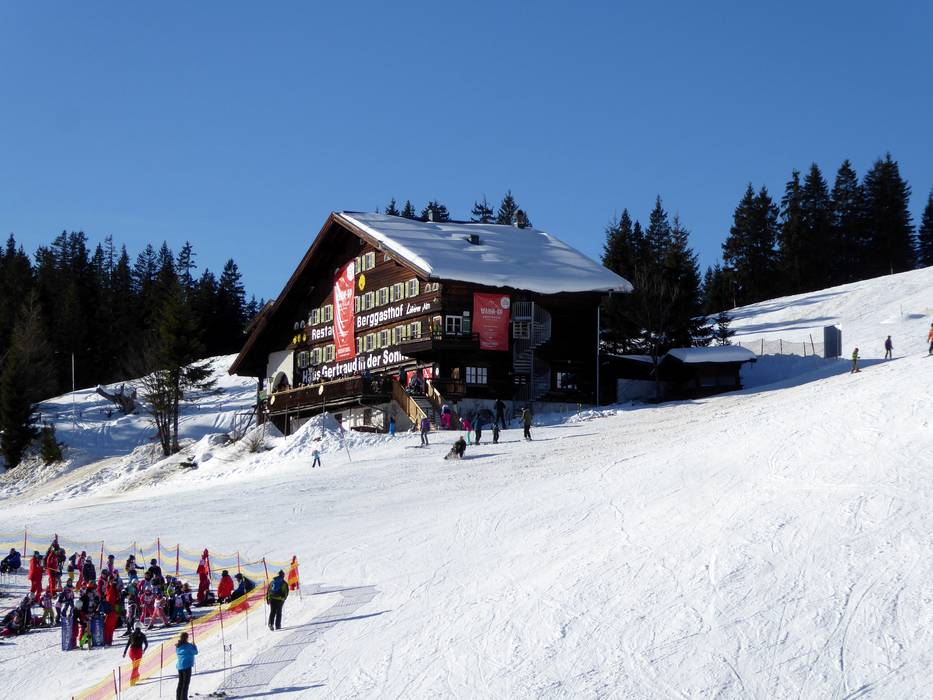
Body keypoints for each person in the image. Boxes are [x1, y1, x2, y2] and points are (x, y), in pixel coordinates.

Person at [175, 631, 199, 700]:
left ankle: (178, 698)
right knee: (185, 685)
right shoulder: (189, 646)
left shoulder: (178, 646)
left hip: (180, 666)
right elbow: (195, 652)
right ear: (187, 638)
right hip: (187, 666)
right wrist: (194, 646)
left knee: (180, 683)